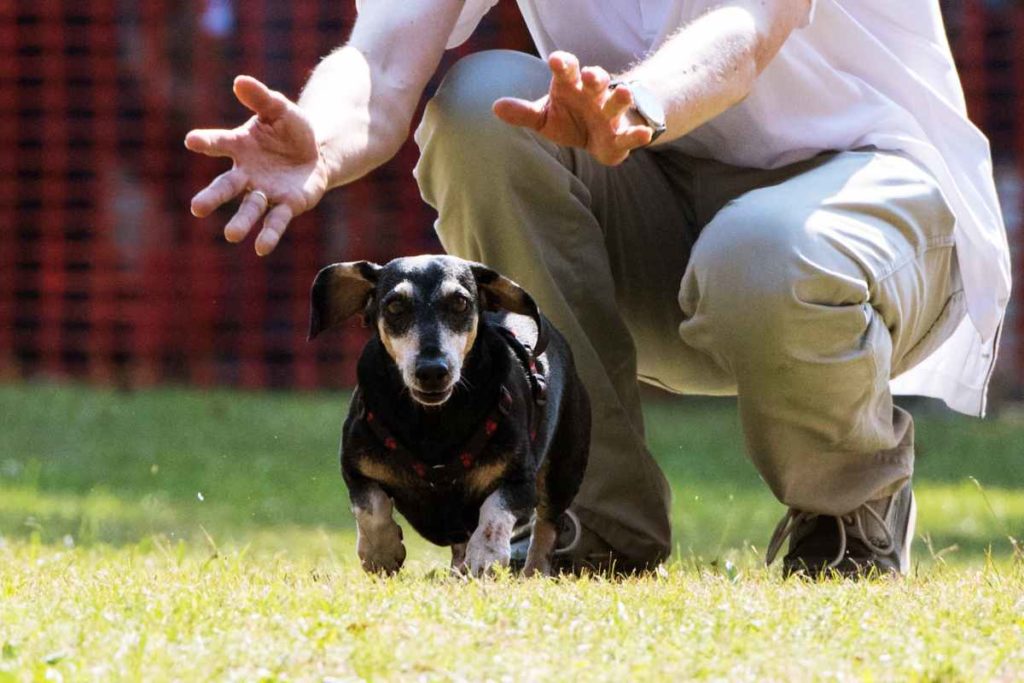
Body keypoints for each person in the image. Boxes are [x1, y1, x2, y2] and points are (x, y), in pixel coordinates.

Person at [185, 0, 1010, 576]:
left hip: (868, 199)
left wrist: (639, 102)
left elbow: (750, 27)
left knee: (759, 253)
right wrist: (320, 142)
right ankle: (590, 520)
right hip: (656, 201)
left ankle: (847, 520)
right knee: (477, 115)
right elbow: (385, 54)